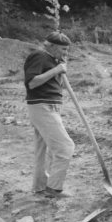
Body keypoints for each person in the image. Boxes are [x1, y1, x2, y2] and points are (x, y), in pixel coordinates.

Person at [24, 31, 75, 198]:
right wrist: (56, 70)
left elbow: (53, 83)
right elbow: (31, 83)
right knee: (65, 147)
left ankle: (40, 186)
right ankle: (54, 188)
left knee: (43, 149)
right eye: (63, 49)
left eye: (67, 49)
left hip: (49, 106)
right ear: (51, 46)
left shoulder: (53, 60)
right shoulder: (39, 55)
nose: (66, 52)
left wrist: (58, 67)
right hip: (42, 106)